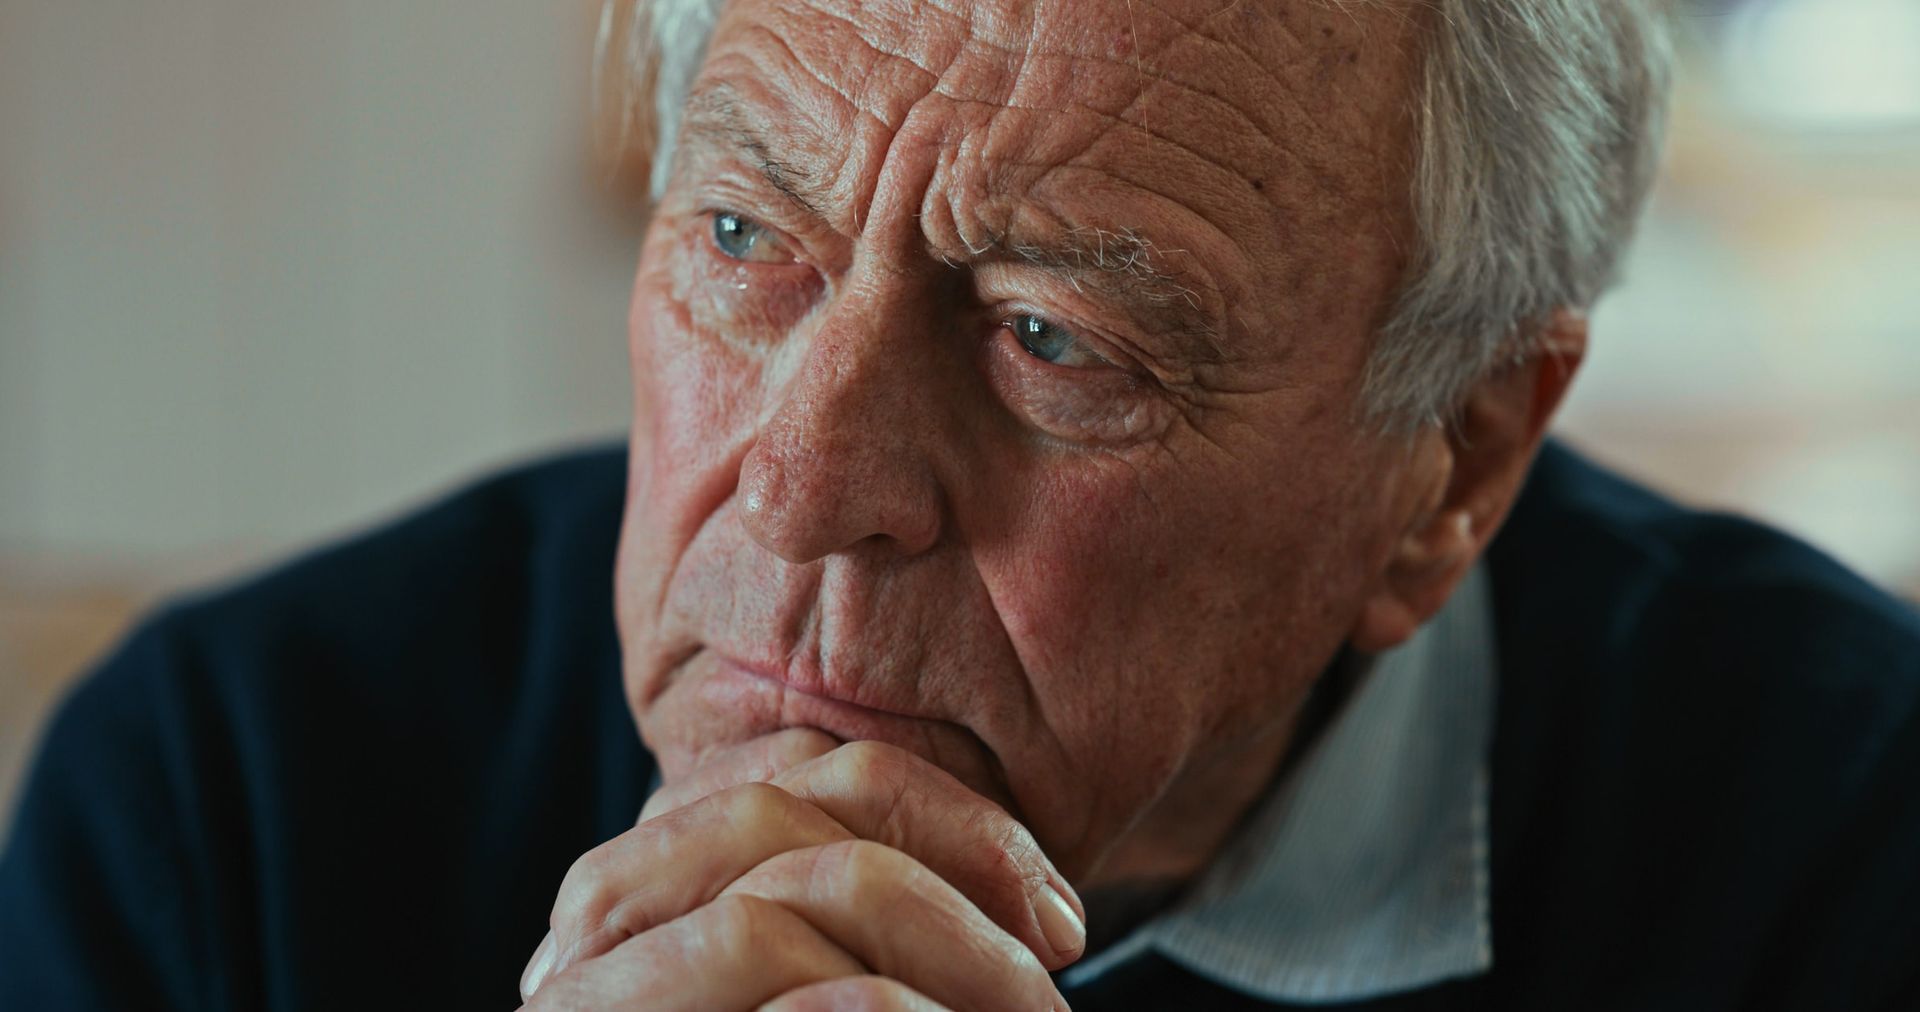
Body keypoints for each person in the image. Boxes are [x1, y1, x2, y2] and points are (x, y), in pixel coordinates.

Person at [4, 0, 1918, 1008]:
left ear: (1456, 463)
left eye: (1051, 337)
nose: (802, 485)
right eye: (744, 237)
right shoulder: (225, 797)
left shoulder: (1852, 846)